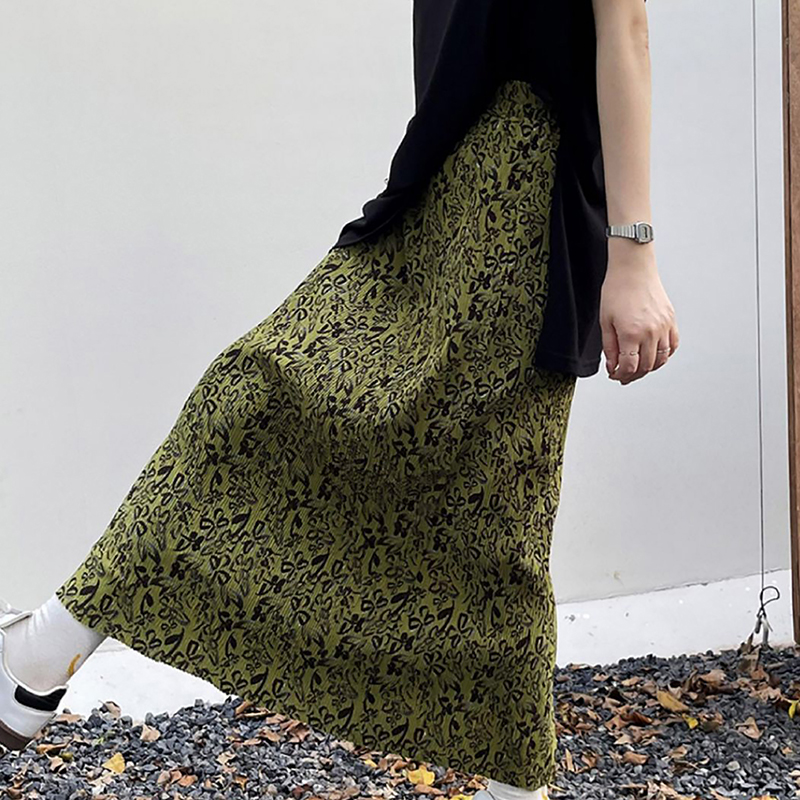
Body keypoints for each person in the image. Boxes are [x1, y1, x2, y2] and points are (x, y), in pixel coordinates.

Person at [0, 0, 678, 798]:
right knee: (266, 397)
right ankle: (48, 646)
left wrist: (633, 253)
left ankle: (46, 647)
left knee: (494, 511)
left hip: (520, 192)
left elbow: (624, 29)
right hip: (441, 179)